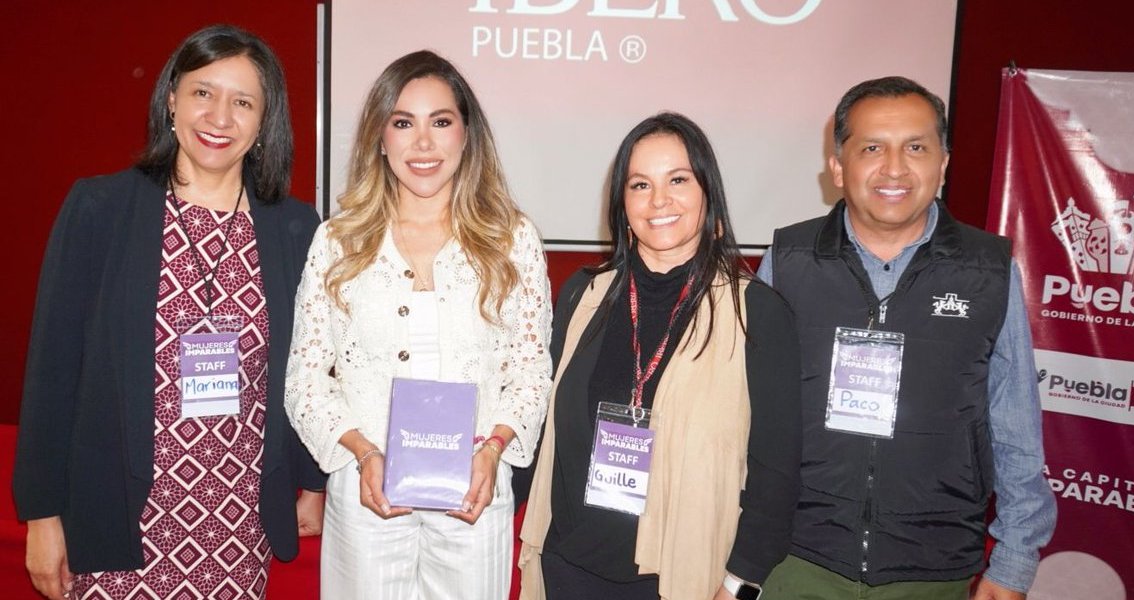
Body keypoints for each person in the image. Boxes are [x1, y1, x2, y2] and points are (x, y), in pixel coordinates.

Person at [13, 24, 325, 600]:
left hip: (235, 521)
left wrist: (312, 483)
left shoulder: (295, 228)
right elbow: (52, 372)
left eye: (243, 102)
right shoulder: (100, 209)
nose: (220, 117)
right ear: (171, 100)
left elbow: (307, 369)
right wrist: (42, 514)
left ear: (264, 122)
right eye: (203, 92)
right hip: (116, 513)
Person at [758, 76, 1057, 599]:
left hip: (934, 567)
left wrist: (1014, 561)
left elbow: (1016, 428)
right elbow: (747, 416)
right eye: (872, 148)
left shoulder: (989, 272)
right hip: (796, 557)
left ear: (943, 164)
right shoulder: (786, 263)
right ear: (838, 167)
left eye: (916, 148)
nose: (894, 168)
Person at [283, 50, 552, 599]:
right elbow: (305, 381)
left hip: (475, 493)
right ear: (380, 138)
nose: (423, 143)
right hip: (365, 493)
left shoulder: (512, 239)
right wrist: (363, 453)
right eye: (403, 123)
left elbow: (531, 371)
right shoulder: (337, 242)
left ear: (467, 135)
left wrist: (494, 449)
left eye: (441, 122)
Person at [518, 112, 803, 600]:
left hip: (679, 579)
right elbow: (543, 429)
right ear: (622, 202)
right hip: (568, 569)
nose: (658, 200)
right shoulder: (583, 296)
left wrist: (740, 582)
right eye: (640, 184)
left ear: (707, 192)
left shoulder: (756, 312)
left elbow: (775, 473)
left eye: (678, 180)